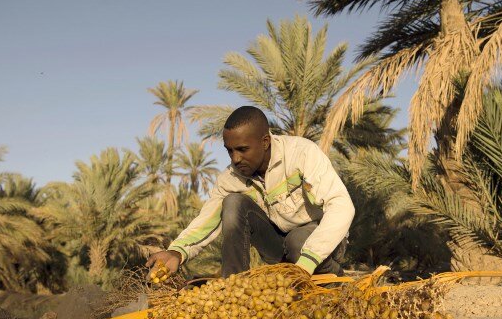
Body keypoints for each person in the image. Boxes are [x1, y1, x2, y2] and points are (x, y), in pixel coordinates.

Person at [146, 106, 354, 277]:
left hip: (322, 245)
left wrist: (306, 263)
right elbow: (205, 221)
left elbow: (341, 205)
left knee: (296, 240)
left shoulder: (301, 154)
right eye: (230, 150)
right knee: (233, 203)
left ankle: (335, 278)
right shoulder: (230, 178)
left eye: (242, 149)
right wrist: (177, 251)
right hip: (281, 248)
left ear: (265, 142)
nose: (235, 158)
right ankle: (234, 286)